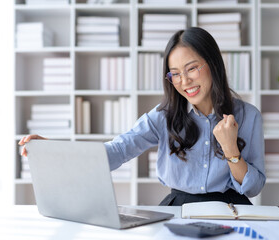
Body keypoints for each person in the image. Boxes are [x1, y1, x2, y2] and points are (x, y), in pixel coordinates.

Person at [19, 27, 265, 206]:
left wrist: (231, 149)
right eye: (175, 74)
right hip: (179, 209)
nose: (185, 81)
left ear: (213, 64)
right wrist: (56, 150)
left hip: (232, 210)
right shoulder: (162, 117)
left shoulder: (248, 116)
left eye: (192, 68)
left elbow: (253, 188)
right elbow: (117, 151)